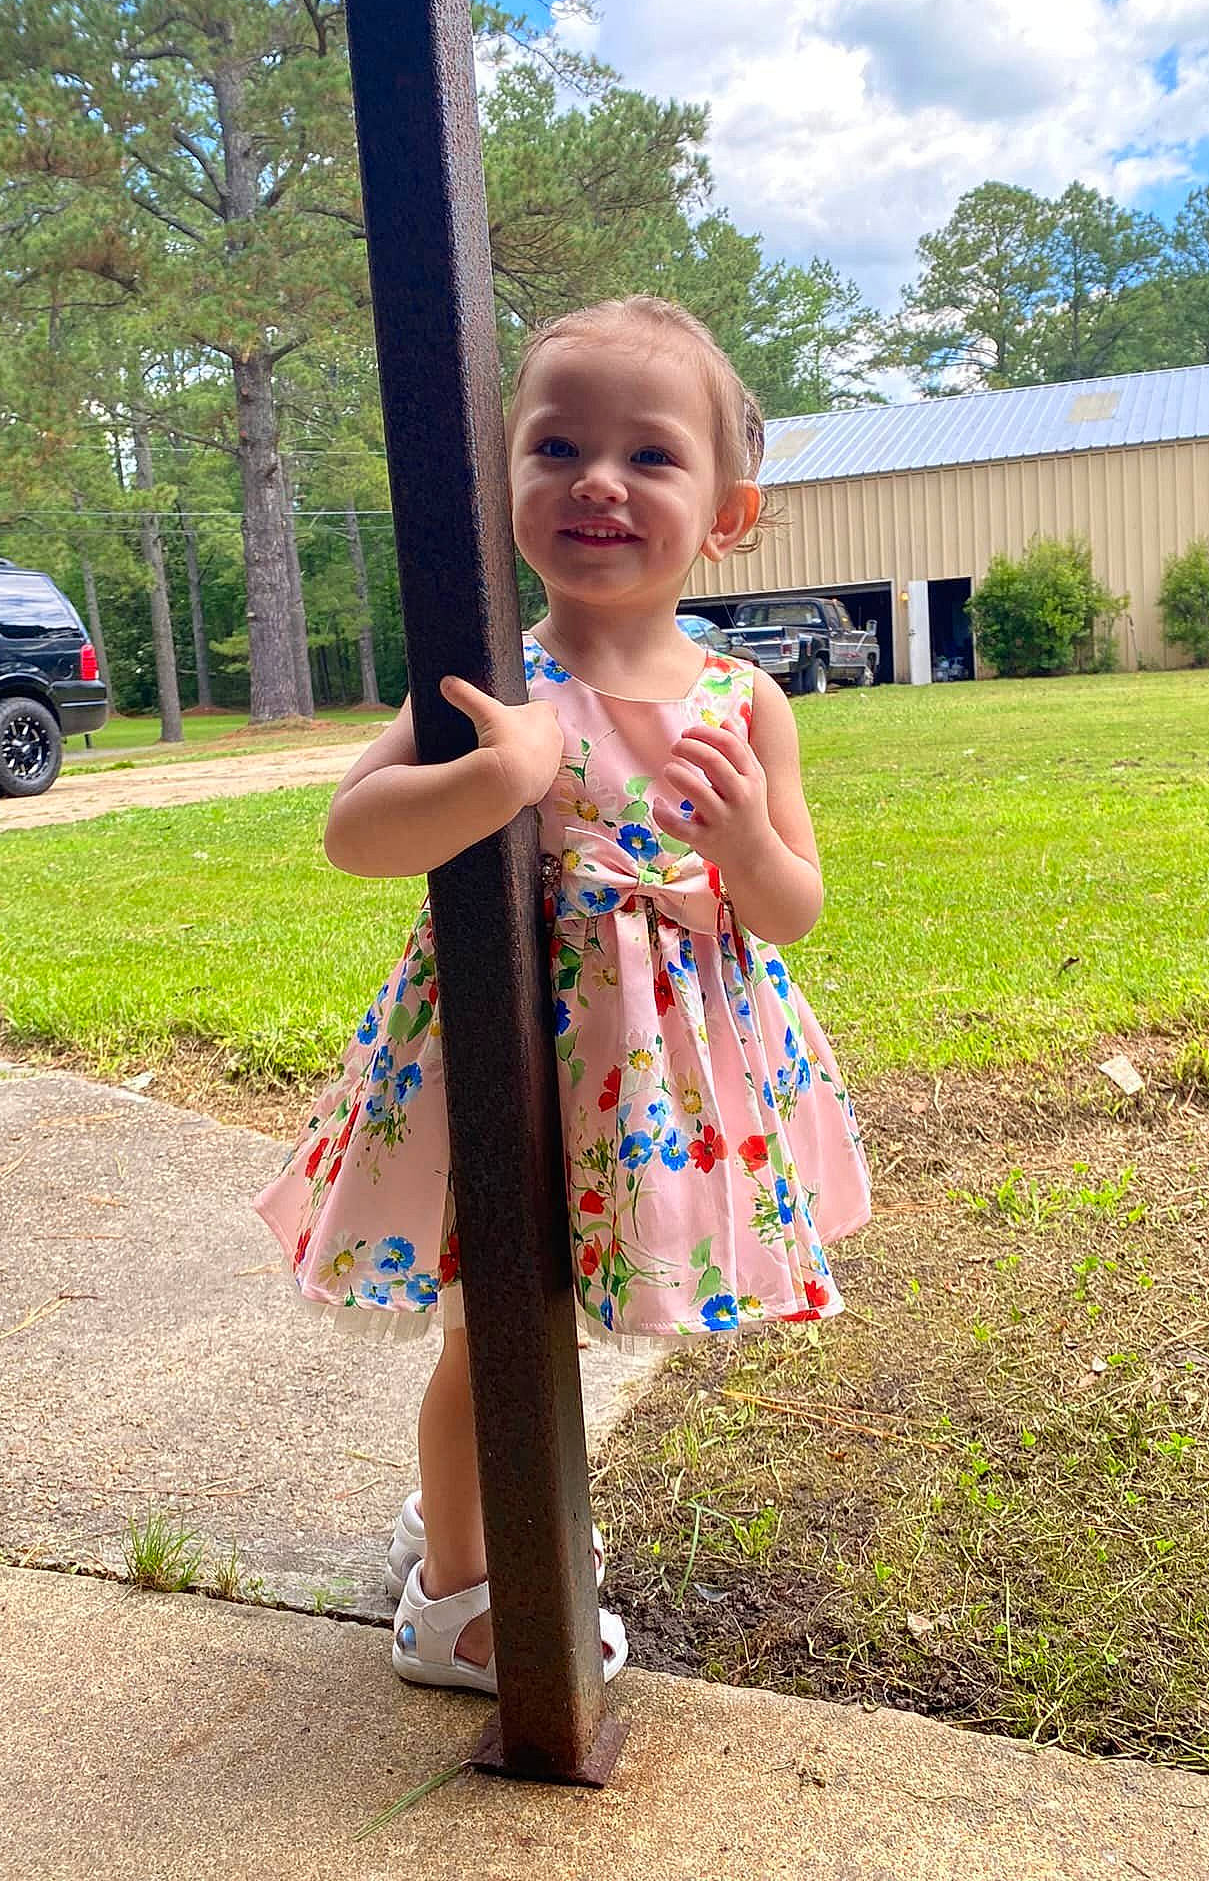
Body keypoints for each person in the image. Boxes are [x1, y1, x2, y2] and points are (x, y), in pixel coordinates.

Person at [254, 295, 871, 1693]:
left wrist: (745, 847)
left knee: (555, 1330)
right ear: (510, 482)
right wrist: (495, 778)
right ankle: (460, 1597)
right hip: (501, 1058)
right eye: (559, 446)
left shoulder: (742, 699)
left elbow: (793, 911)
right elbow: (356, 836)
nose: (600, 479)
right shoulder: (485, 679)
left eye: (651, 456)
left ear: (729, 513)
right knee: (498, 1329)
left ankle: (475, 1521)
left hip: (671, 1081)